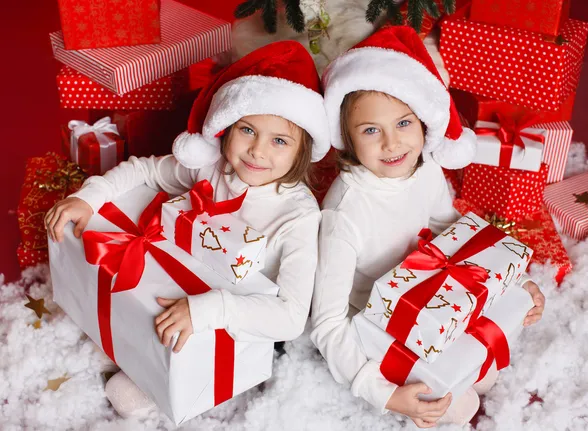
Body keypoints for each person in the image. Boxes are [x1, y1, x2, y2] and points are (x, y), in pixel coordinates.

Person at [45, 40, 330, 418]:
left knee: (138, 386)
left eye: (279, 140)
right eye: (247, 130)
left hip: (238, 316)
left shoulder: (298, 215)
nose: (258, 151)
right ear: (227, 127)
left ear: (301, 150)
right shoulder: (213, 168)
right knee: (135, 304)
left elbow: (291, 317)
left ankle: (157, 372)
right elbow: (145, 169)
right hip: (182, 283)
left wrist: (207, 311)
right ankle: (130, 341)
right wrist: (90, 196)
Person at [310, 26, 546, 428]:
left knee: (484, 374)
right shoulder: (345, 213)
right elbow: (327, 324)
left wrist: (514, 278)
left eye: (403, 124)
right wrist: (382, 392)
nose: (391, 144)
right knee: (455, 406)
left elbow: (452, 229)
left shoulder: (427, 170)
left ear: (423, 123)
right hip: (376, 320)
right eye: (370, 130)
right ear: (347, 140)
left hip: (430, 295)